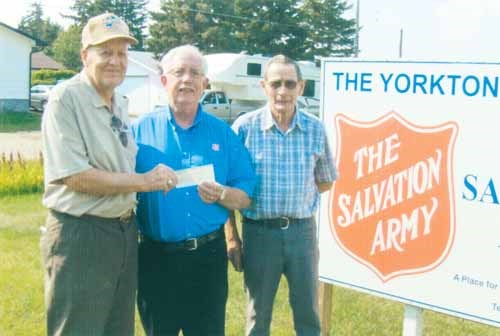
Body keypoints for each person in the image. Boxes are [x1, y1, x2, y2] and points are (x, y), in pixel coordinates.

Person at [40, 13, 178, 336]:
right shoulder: (66, 99)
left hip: (123, 233)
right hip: (82, 236)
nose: (116, 60)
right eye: (106, 52)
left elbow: (122, 163)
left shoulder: (119, 103)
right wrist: (145, 183)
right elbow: (76, 176)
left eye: (122, 53)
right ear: (85, 55)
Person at [131, 44, 256, 336]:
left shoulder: (223, 134)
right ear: (164, 81)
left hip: (207, 261)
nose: (187, 79)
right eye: (179, 72)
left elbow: (246, 195)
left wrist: (223, 193)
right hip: (155, 260)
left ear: (204, 83)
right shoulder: (139, 132)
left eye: (195, 73)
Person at [232, 55, 337, 336]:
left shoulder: (315, 129)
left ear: (301, 87)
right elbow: (227, 188)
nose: (283, 91)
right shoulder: (244, 128)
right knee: (258, 316)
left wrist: (298, 195)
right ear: (263, 86)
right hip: (259, 234)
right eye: (276, 83)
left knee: (308, 315)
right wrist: (232, 237)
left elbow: (326, 181)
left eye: (290, 84)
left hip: (302, 234)